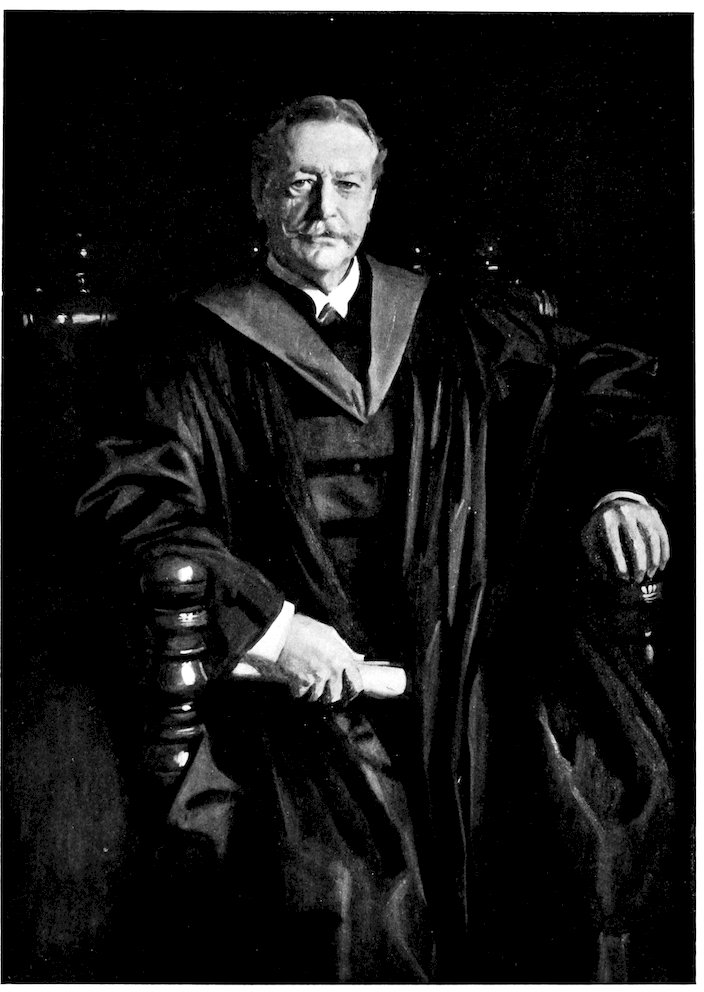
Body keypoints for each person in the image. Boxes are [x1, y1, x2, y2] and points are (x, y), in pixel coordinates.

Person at [75, 95, 676, 982]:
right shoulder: (188, 348)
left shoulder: (454, 321)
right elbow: (136, 503)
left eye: (347, 185)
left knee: (586, 808)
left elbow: (598, 383)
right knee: (346, 889)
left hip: (459, 663)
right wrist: (274, 631)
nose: (324, 209)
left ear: (374, 196)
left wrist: (617, 493)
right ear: (259, 193)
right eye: (300, 184)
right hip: (297, 687)